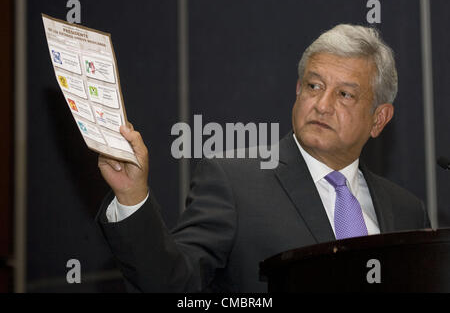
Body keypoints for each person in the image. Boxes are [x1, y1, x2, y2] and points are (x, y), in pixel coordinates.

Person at [96, 24, 430, 292]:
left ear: (378, 119)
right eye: (314, 86)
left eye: (344, 94)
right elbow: (174, 285)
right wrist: (132, 196)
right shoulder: (234, 183)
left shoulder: (406, 210)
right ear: (298, 91)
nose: (323, 104)